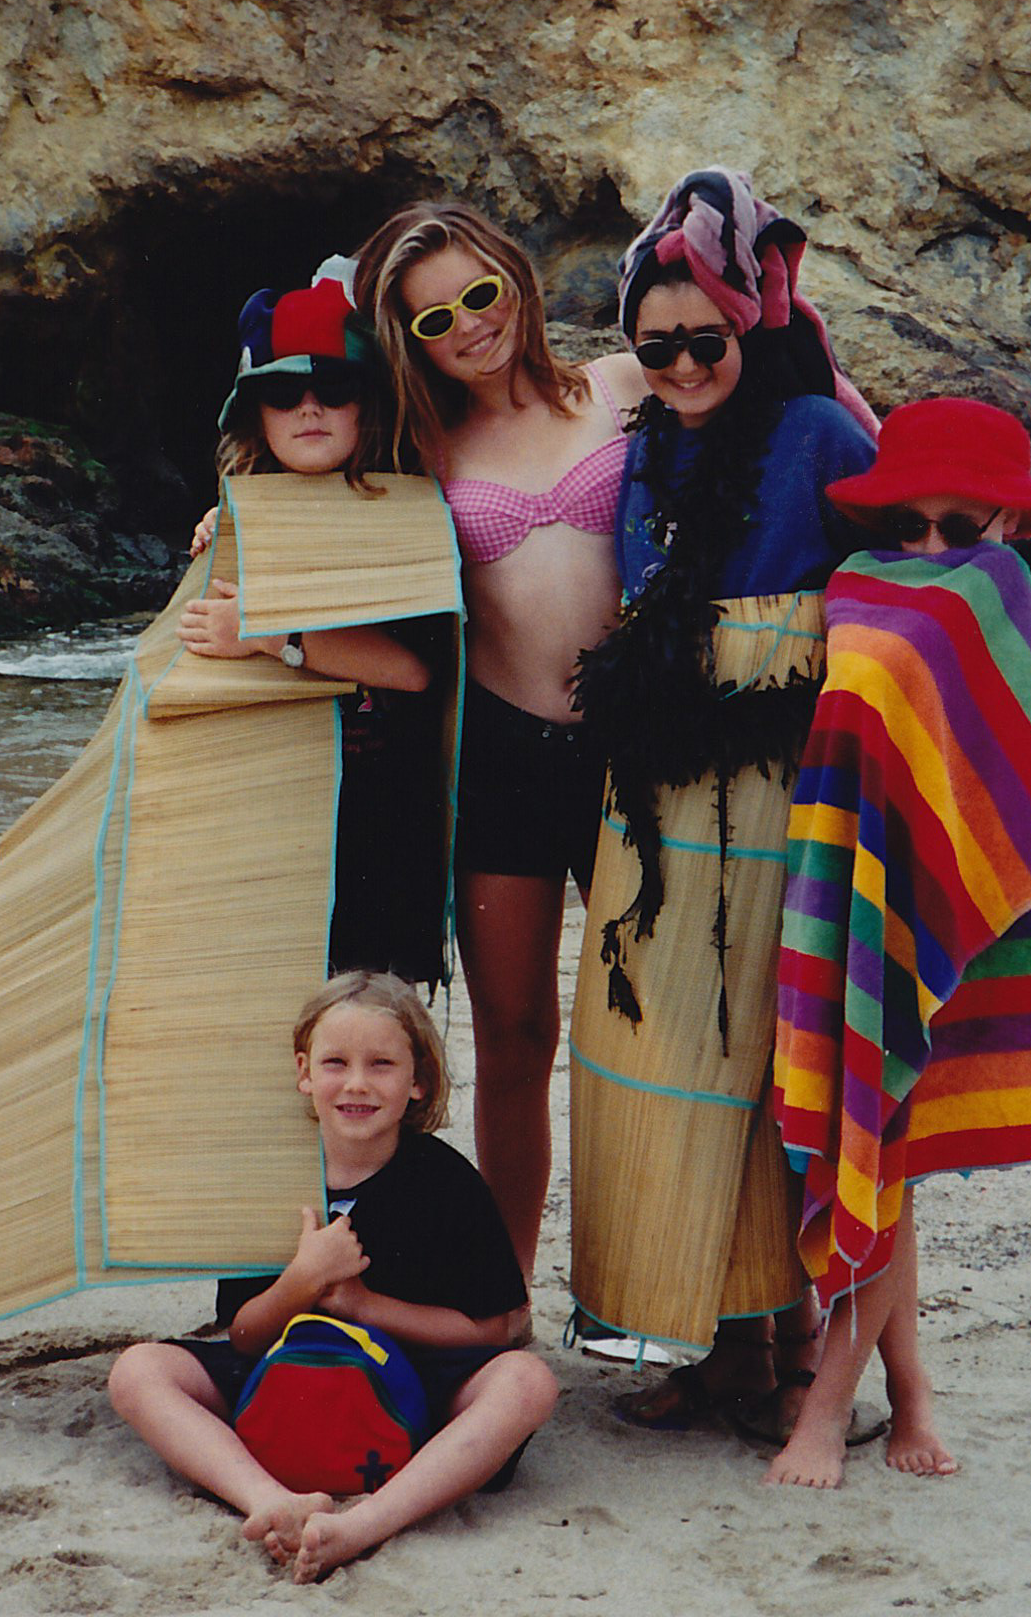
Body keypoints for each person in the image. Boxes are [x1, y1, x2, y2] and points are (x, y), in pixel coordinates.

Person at [575, 167, 880, 1429]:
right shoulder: (644, 449)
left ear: (747, 324)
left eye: (705, 339)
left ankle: (794, 1348)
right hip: (656, 784)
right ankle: (712, 1341)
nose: (685, 366)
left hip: (777, 785)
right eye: (657, 348)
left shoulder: (817, 434)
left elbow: (911, 568)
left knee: (763, 1044)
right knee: (665, 1043)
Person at [765, 396, 1031, 1488]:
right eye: (912, 523)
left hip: (965, 899)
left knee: (889, 1143)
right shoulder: (853, 587)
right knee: (872, 1134)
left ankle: (828, 1410)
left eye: (962, 524)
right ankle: (909, 1387)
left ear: (1010, 520)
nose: (936, 546)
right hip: (844, 870)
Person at [352, 203, 649, 1284]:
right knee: (516, 1038)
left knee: (655, 1033)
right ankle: (506, 1291)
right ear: (410, 340)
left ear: (516, 282)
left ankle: (660, 1287)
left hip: (642, 748)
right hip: (503, 756)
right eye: (434, 320)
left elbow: (809, 408)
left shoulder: (624, 385)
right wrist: (223, 526)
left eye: (481, 295)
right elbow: (302, 491)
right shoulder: (417, 449)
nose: (470, 326)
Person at [178, 273, 454, 1332]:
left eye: (333, 390)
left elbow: (415, 669)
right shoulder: (235, 524)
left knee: (371, 1062)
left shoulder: (400, 514)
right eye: (282, 392)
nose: (308, 409)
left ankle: (381, 1283)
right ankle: (256, 1295)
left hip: (375, 835)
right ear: (251, 410)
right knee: (276, 1066)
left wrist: (276, 637)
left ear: (366, 403)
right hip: (267, 829)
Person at [108, 970, 557, 1583]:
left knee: (527, 1382)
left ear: (419, 1080)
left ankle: (365, 1523)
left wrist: (362, 1306)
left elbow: (493, 1329)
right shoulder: (276, 1173)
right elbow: (244, 1335)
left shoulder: (447, 1182)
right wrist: (302, 1281)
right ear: (304, 1071)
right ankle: (268, 1499)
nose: (356, 1083)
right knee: (138, 1370)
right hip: (283, 1373)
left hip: (414, 1385)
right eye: (335, 1062)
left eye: (382, 1064)